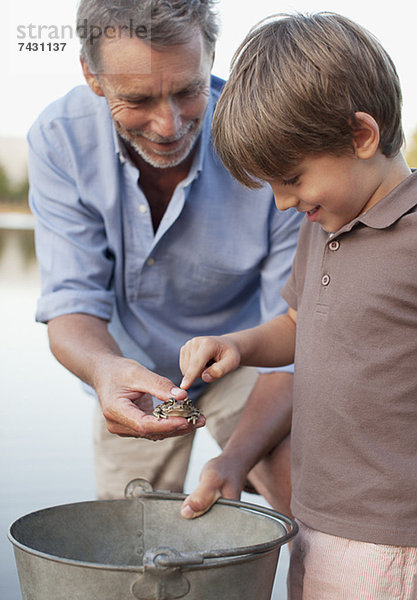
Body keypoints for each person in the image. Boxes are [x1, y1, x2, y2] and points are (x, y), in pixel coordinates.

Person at [178, 12, 417, 599]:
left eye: (292, 179)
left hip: (389, 535)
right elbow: (295, 323)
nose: (283, 203)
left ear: (362, 137)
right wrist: (238, 345)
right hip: (313, 515)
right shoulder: (324, 225)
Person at [27, 0, 301, 510]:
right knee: (133, 556)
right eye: (136, 98)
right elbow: (71, 305)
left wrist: (236, 459)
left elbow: (293, 332)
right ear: (92, 75)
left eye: (187, 90)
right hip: (122, 363)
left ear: (211, 55)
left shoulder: (270, 141)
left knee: (302, 497)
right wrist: (106, 370)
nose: (169, 125)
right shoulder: (58, 139)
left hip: (249, 356)